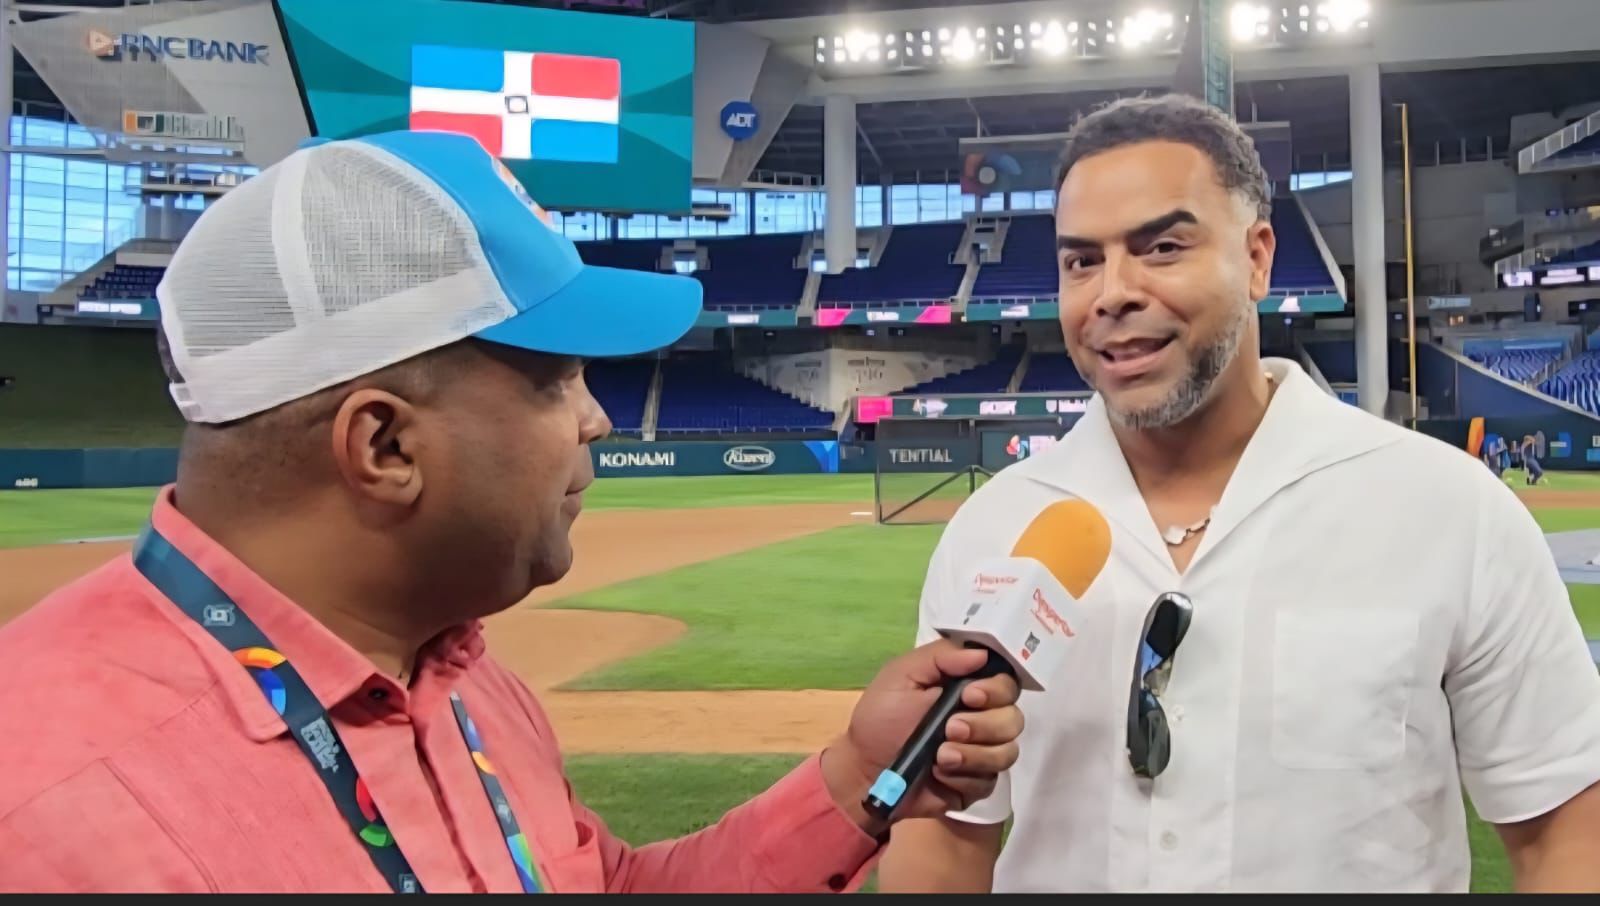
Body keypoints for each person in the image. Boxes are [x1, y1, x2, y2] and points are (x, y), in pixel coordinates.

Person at [0, 131, 1026, 893]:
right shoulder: (45, 809)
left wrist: (857, 779)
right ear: (384, 446)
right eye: (554, 379)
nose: (594, 419)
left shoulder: (458, 673)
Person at [877, 94, 1600, 893]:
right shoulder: (996, 526)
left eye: (1162, 247)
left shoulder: (1449, 508)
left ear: (1257, 259)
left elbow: (1565, 830)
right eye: (1081, 261)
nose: (1112, 291)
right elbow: (944, 839)